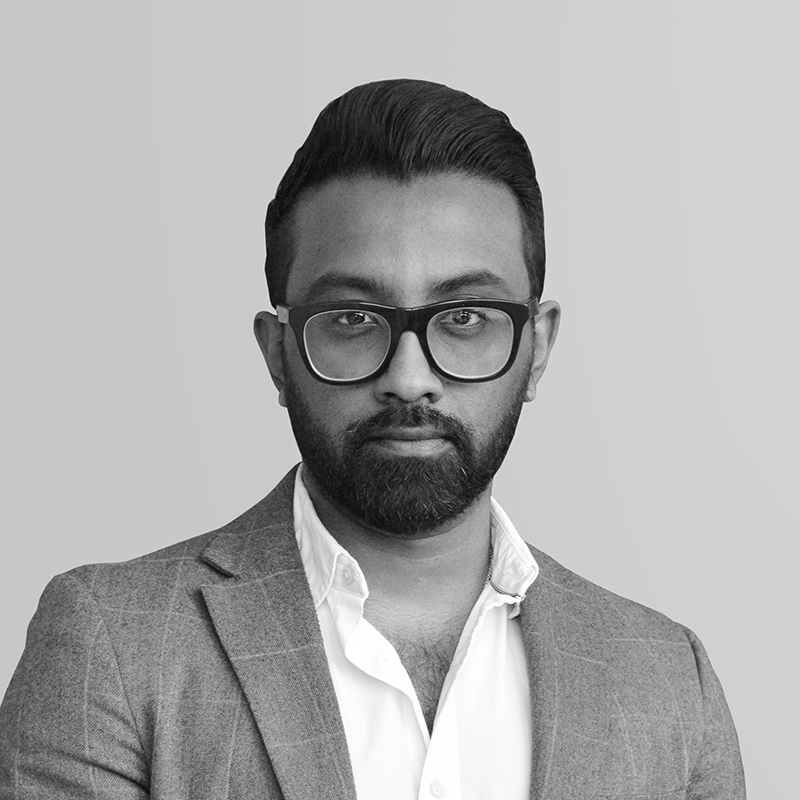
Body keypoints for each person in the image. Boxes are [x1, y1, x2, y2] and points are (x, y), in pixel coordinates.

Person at [0, 79, 745, 799]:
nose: (411, 378)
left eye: (466, 317)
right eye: (354, 320)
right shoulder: (115, 647)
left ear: (537, 347)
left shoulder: (670, 680)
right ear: (278, 354)